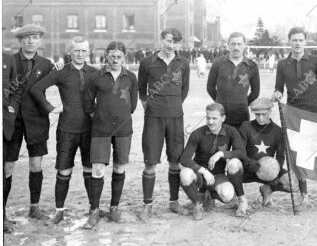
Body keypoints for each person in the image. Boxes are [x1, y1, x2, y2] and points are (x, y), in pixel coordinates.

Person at [272, 26, 317, 212]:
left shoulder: (315, 61)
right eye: (294, 40)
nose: (297, 43)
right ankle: (304, 197)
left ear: (305, 41)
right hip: (294, 118)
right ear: (289, 41)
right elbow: (278, 88)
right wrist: (276, 95)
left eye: (301, 40)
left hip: (315, 115)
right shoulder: (282, 64)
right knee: (299, 157)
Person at [30, 36, 98, 224]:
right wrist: (51, 108)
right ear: (70, 52)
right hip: (67, 129)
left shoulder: (94, 72)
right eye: (76, 50)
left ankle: (94, 210)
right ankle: (59, 211)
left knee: (89, 170)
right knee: (64, 170)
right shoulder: (61, 71)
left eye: (84, 50)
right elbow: (36, 89)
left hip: (89, 130)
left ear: (89, 52)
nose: (80, 54)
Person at [81, 41, 138, 229]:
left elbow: (133, 105)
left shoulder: (130, 77)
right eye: (112, 56)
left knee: (120, 167)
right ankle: (94, 211)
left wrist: (119, 117)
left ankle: (114, 208)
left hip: (123, 129)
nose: (115, 59)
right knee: (97, 169)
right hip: (100, 129)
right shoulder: (95, 76)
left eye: (119, 56)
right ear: (106, 56)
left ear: (124, 57)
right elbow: (88, 104)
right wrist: (101, 117)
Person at [137, 28, 191, 220]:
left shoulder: (183, 62)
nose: (171, 45)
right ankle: (147, 206)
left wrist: (173, 105)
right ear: (161, 40)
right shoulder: (147, 62)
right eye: (168, 41)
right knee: (150, 161)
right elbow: (141, 90)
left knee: (175, 161)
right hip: (154, 118)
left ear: (179, 44)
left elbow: (184, 90)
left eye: (175, 42)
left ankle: (173, 202)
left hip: (176, 116)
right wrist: (151, 107)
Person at [4, 24, 54, 221]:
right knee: (7, 166)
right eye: (26, 38)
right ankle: (3, 213)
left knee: (36, 164)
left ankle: (34, 208)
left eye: (35, 37)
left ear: (40, 40)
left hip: (37, 120)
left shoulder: (47, 64)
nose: (31, 41)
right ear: (20, 41)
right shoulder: (8, 61)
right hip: (12, 121)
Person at [179, 103, 246, 220]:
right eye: (208, 118)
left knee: (227, 195)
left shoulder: (231, 131)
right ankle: (197, 204)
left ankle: (209, 195)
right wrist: (203, 171)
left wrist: (222, 154)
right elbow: (184, 158)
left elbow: (241, 152)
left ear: (223, 118)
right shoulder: (197, 133)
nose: (210, 122)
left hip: (218, 175)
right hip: (199, 174)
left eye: (214, 118)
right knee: (185, 174)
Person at [237, 97, 291, 208]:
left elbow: (280, 156)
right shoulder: (246, 127)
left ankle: (267, 188)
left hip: (267, 170)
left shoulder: (278, 131)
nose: (260, 118)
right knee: (233, 167)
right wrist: (248, 162)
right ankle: (238, 198)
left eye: (264, 114)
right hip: (248, 167)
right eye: (257, 115)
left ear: (270, 111)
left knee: (292, 184)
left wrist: (275, 170)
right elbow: (240, 150)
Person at [207, 32, 260, 128]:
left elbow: (255, 92)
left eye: (239, 44)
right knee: (220, 142)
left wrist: (242, 103)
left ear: (244, 45)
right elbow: (210, 87)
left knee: (240, 142)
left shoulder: (252, 66)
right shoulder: (218, 63)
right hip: (220, 113)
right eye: (233, 44)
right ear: (228, 45)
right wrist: (220, 102)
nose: (236, 47)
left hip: (242, 114)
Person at [3, 52, 20, 233]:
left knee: (5, 170)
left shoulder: (8, 59)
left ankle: (3, 215)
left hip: (4, 124)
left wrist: (11, 108)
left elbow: (16, 87)